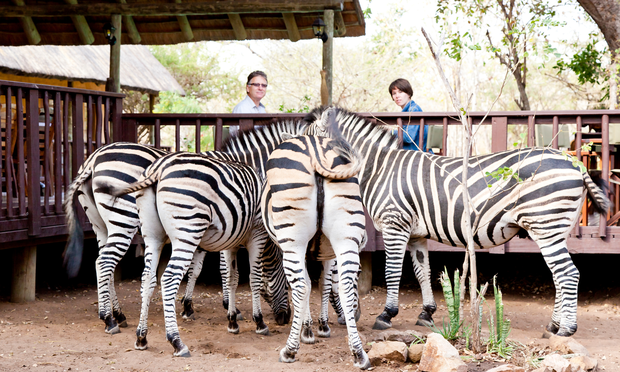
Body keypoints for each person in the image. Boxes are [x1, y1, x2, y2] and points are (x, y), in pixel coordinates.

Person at [389, 78, 430, 152]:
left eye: (400, 92)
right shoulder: (407, 111)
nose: (397, 96)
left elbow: (408, 137)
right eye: (394, 93)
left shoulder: (414, 110)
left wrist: (391, 132)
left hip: (417, 155)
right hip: (410, 153)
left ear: (408, 93)